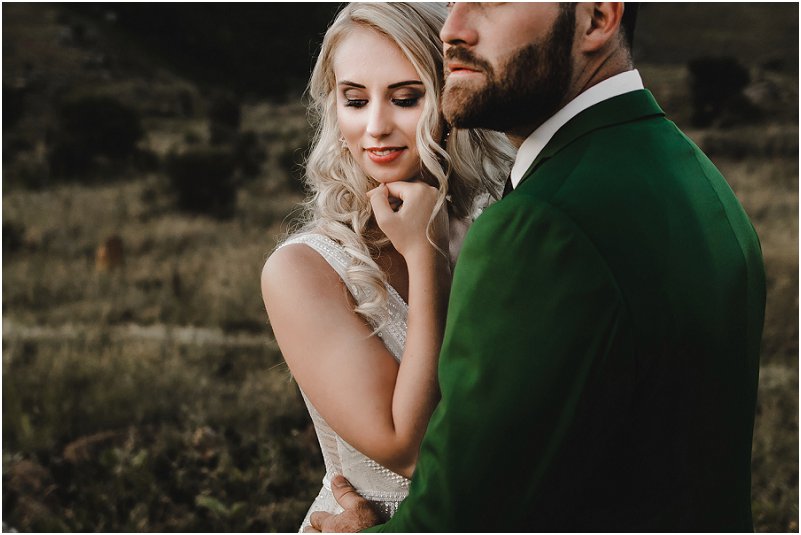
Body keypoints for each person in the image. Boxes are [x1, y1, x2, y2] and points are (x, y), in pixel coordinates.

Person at [308, 2, 767, 532]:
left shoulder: (539, 226)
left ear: (598, 17)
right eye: (454, 0)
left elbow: (464, 519)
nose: (453, 30)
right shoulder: (693, 173)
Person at [260, 3, 513, 532]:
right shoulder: (303, 270)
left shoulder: (498, 230)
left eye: (405, 98)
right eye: (355, 100)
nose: (375, 127)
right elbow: (413, 451)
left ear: (451, 97)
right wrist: (425, 255)